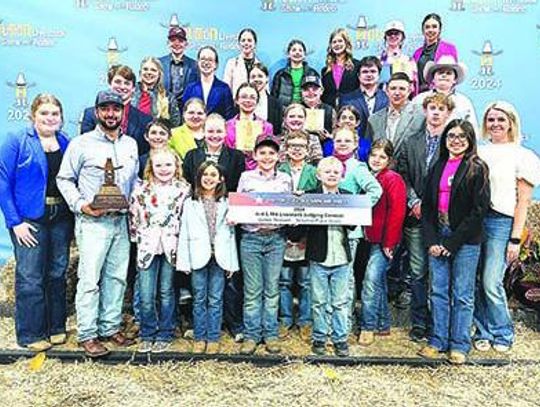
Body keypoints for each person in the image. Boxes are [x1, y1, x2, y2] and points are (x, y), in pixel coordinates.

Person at [57, 90, 139, 357]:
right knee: (90, 279)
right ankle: (87, 334)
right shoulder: (81, 144)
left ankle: (110, 326)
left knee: (116, 278)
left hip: (121, 221)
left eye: (116, 108)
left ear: (122, 112)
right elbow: (64, 179)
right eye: (105, 109)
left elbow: (134, 181)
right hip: (93, 222)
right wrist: (81, 205)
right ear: (96, 112)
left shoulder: (130, 145)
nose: (111, 113)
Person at [0, 94, 72, 351]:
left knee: (56, 273)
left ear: (61, 118)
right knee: (30, 276)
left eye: (54, 113)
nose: (50, 118)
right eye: (44, 113)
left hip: (61, 217)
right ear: (33, 115)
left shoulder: (66, 142)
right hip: (29, 219)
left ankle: (55, 327)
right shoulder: (17, 140)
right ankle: (30, 333)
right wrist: (14, 221)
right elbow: (2, 181)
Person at [418, 119, 490, 365]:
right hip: (438, 235)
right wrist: (432, 240)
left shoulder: (477, 168)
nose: (456, 140)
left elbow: (478, 211)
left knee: (462, 294)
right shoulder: (437, 166)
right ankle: (438, 340)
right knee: (438, 291)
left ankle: (459, 344)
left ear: (470, 140)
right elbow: (427, 208)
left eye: (461, 136)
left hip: (466, 241)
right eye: (451, 136)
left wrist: (451, 243)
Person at [473, 102, 540, 353]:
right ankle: (482, 330)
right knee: (477, 279)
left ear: (511, 122)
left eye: (501, 120)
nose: (496, 124)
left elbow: (523, 201)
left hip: (502, 222)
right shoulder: (478, 152)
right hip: (476, 221)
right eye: (491, 120)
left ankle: (503, 332)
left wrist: (515, 239)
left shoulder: (524, 156)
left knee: (492, 280)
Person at [397, 92, 454, 342]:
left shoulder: (454, 143)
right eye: (432, 107)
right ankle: (420, 322)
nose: (436, 112)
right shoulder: (411, 141)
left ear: (448, 113)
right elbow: (402, 174)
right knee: (418, 271)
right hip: (416, 215)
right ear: (425, 111)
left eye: (441, 109)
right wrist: (414, 201)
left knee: (440, 273)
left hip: (444, 219)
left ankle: (440, 323)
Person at [290, 157, 355, 357]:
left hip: (342, 257)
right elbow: (298, 230)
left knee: (340, 302)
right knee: (318, 301)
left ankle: (340, 339)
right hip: (319, 257)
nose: (332, 175)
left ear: (342, 176)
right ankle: (319, 337)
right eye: (327, 171)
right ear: (319, 175)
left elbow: (353, 225)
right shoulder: (310, 196)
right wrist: (298, 207)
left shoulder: (348, 196)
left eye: (336, 172)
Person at [130, 148, 191, 353]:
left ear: (176, 167)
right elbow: (133, 217)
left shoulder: (184, 190)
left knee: (166, 291)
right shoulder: (141, 190)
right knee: (146, 293)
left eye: (168, 165)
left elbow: (186, 219)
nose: (163, 169)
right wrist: (137, 238)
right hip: (147, 245)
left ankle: (165, 330)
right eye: (158, 165)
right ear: (150, 167)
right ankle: (147, 332)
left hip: (171, 246)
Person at [237, 134, 293, 355]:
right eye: (262, 152)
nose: (267, 157)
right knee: (252, 291)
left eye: (271, 153)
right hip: (251, 237)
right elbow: (239, 204)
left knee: (272, 290)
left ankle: (270, 334)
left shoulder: (285, 179)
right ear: (254, 155)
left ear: (278, 156)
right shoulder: (246, 177)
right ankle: (251, 335)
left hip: (276, 238)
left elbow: (289, 207)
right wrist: (235, 214)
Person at [178, 161, 239, 354]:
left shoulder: (227, 202)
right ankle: (199, 336)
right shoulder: (190, 203)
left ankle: (213, 337)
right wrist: (184, 261)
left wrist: (231, 262)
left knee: (215, 299)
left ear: (220, 179)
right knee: (198, 298)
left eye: (213, 175)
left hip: (220, 257)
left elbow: (231, 235)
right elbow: (184, 233)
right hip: (197, 256)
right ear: (199, 177)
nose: (209, 178)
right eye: (205, 174)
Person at [358, 140, 406, 346]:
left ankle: (368, 326)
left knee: (370, 281)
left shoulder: (392, 179)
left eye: (382, 157)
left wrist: (390, 243)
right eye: (373, 156)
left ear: (390, 160)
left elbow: (397, 212)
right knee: (378, 282)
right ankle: (383, 323)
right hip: (369, 237)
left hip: (385, 241)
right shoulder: (367, 177)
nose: (376, 160)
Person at [277, 131, 319, 340]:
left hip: (306, 234)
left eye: (301, 145)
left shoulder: (314, 171)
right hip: (283, 233)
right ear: (286, 148)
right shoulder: (278, 170)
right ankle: (285, 319)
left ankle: (305, 321)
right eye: (292, 145)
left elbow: (319, 201)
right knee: (283, 281)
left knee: (305, 282)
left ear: (308, 149)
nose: (296, 149)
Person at [80, 64, 153, 155]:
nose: (122, 87)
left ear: (133, 88)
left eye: (127, 83)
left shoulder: (145, 120)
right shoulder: (90, 114)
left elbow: (143, 155)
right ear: (110, 84)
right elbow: (85, 147)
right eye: (118, 82)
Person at [365, 72, 425, 157]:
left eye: (402, 89)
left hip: (409, 168)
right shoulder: (374, 119)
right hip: (381, 168)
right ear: (386, 91)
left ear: (409, 91)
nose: (397, 93)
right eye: (393, 88)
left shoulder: (421, 114)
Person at [183, 113, 245, 193]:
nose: (215, 136)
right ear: (203, 132)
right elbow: (188, 185)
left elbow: (237, 187)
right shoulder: (191, 156)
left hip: (227, 202)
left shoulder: (237, 157)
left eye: (219, 131)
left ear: (225, 132)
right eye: (210, 131)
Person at [413, 56, 479, 131]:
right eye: (440, 73)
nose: (444, 75)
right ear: (433, 78)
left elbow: (472, 129)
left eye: (448, 73)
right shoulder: (419, 99)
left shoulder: (464, 102)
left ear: (454, 80)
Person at [225, 82, 274, 169]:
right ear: (237, 100)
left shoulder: (267, 127)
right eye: (244, 97)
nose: (248, 100)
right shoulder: (227, 126)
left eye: (252, 97)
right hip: (233, 170)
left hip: (259, 173)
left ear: (257, 101)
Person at [340, 56, 389, 140]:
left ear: (379, 75)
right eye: (365, 72)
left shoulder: (387, 98)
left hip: (380, 148)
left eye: (373, 71)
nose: (369, 75)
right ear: (359, 76)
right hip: (356, 147)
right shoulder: (347, 99)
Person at [183, 46, 235, 120]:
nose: (206, 63)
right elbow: (184, 113)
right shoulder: (190, 88)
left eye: (210, 60)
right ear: (198, 62)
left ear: (216, 64)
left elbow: (229, 116)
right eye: (203, 59)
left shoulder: (224, 88)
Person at [412, 13, 458, 93]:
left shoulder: (449, 48)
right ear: (423, 30)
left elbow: (452, 75)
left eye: (434, 27)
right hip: (419, 95)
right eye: (427, 27)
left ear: (439, 30)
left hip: (441, 93)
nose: (430, 30)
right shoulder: (417, 53)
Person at [131, 56, 181, 127]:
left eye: (153, 70)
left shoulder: (168, 97)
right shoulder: (130, 91)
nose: (149, 72)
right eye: (145, 69)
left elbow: (175, 123)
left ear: (159, 74)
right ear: (140, 72)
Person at [159, 26, 199, 110]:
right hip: (163, 109)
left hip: (186, 110)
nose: (177, 44)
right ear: (168, 43)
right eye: (173, 40)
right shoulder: (159, 63)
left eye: (180, 41)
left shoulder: (195, 65)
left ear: (186, 44)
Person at [320, 28, 361, 108]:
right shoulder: (325, 70)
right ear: (330, 46)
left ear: (346, 43)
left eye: (340, 41)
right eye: (334, 42)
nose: (337, 44)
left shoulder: (357, 65)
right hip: (330, 110)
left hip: (351, 109)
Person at [271, 39, 318, 107]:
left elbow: (318, 95)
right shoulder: (280, 74)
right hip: (285, 111)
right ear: (288, 54)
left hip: (306, 110)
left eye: (300, 50)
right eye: (294, 50)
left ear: (304, 55)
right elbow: (274, 97)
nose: (297, 52)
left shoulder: (312, 73)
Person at [300, 74, 336, 156]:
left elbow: (337, 134)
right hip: (301, 150)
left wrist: (329, 136)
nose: (310, 92)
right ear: (301, 92)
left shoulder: (330, 110)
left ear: (321, 91)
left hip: (325, 151)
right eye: (306, 89)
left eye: (315, 89)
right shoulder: (296, 110)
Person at [379, 20, 417, 92]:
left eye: (396, 33)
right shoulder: (379, 60)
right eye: (390, 34)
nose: (393, 36)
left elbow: (413, 87)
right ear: (385, 37)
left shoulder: (409, 60)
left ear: (402, 37)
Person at [224, 28, 261, 96]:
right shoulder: (231, 63)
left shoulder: (260, 65)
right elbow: (226, 89)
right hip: (236, 104)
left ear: (255, 44)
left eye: (249, 40)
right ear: (239, 44)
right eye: (243, 41)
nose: (246, 43)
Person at [249, 62, 283, 135]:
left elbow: (277, 131)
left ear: (267, 78)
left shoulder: (276, 104)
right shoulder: (241, 103)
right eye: (253, 77)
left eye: (260, 76)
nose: (256, 79)